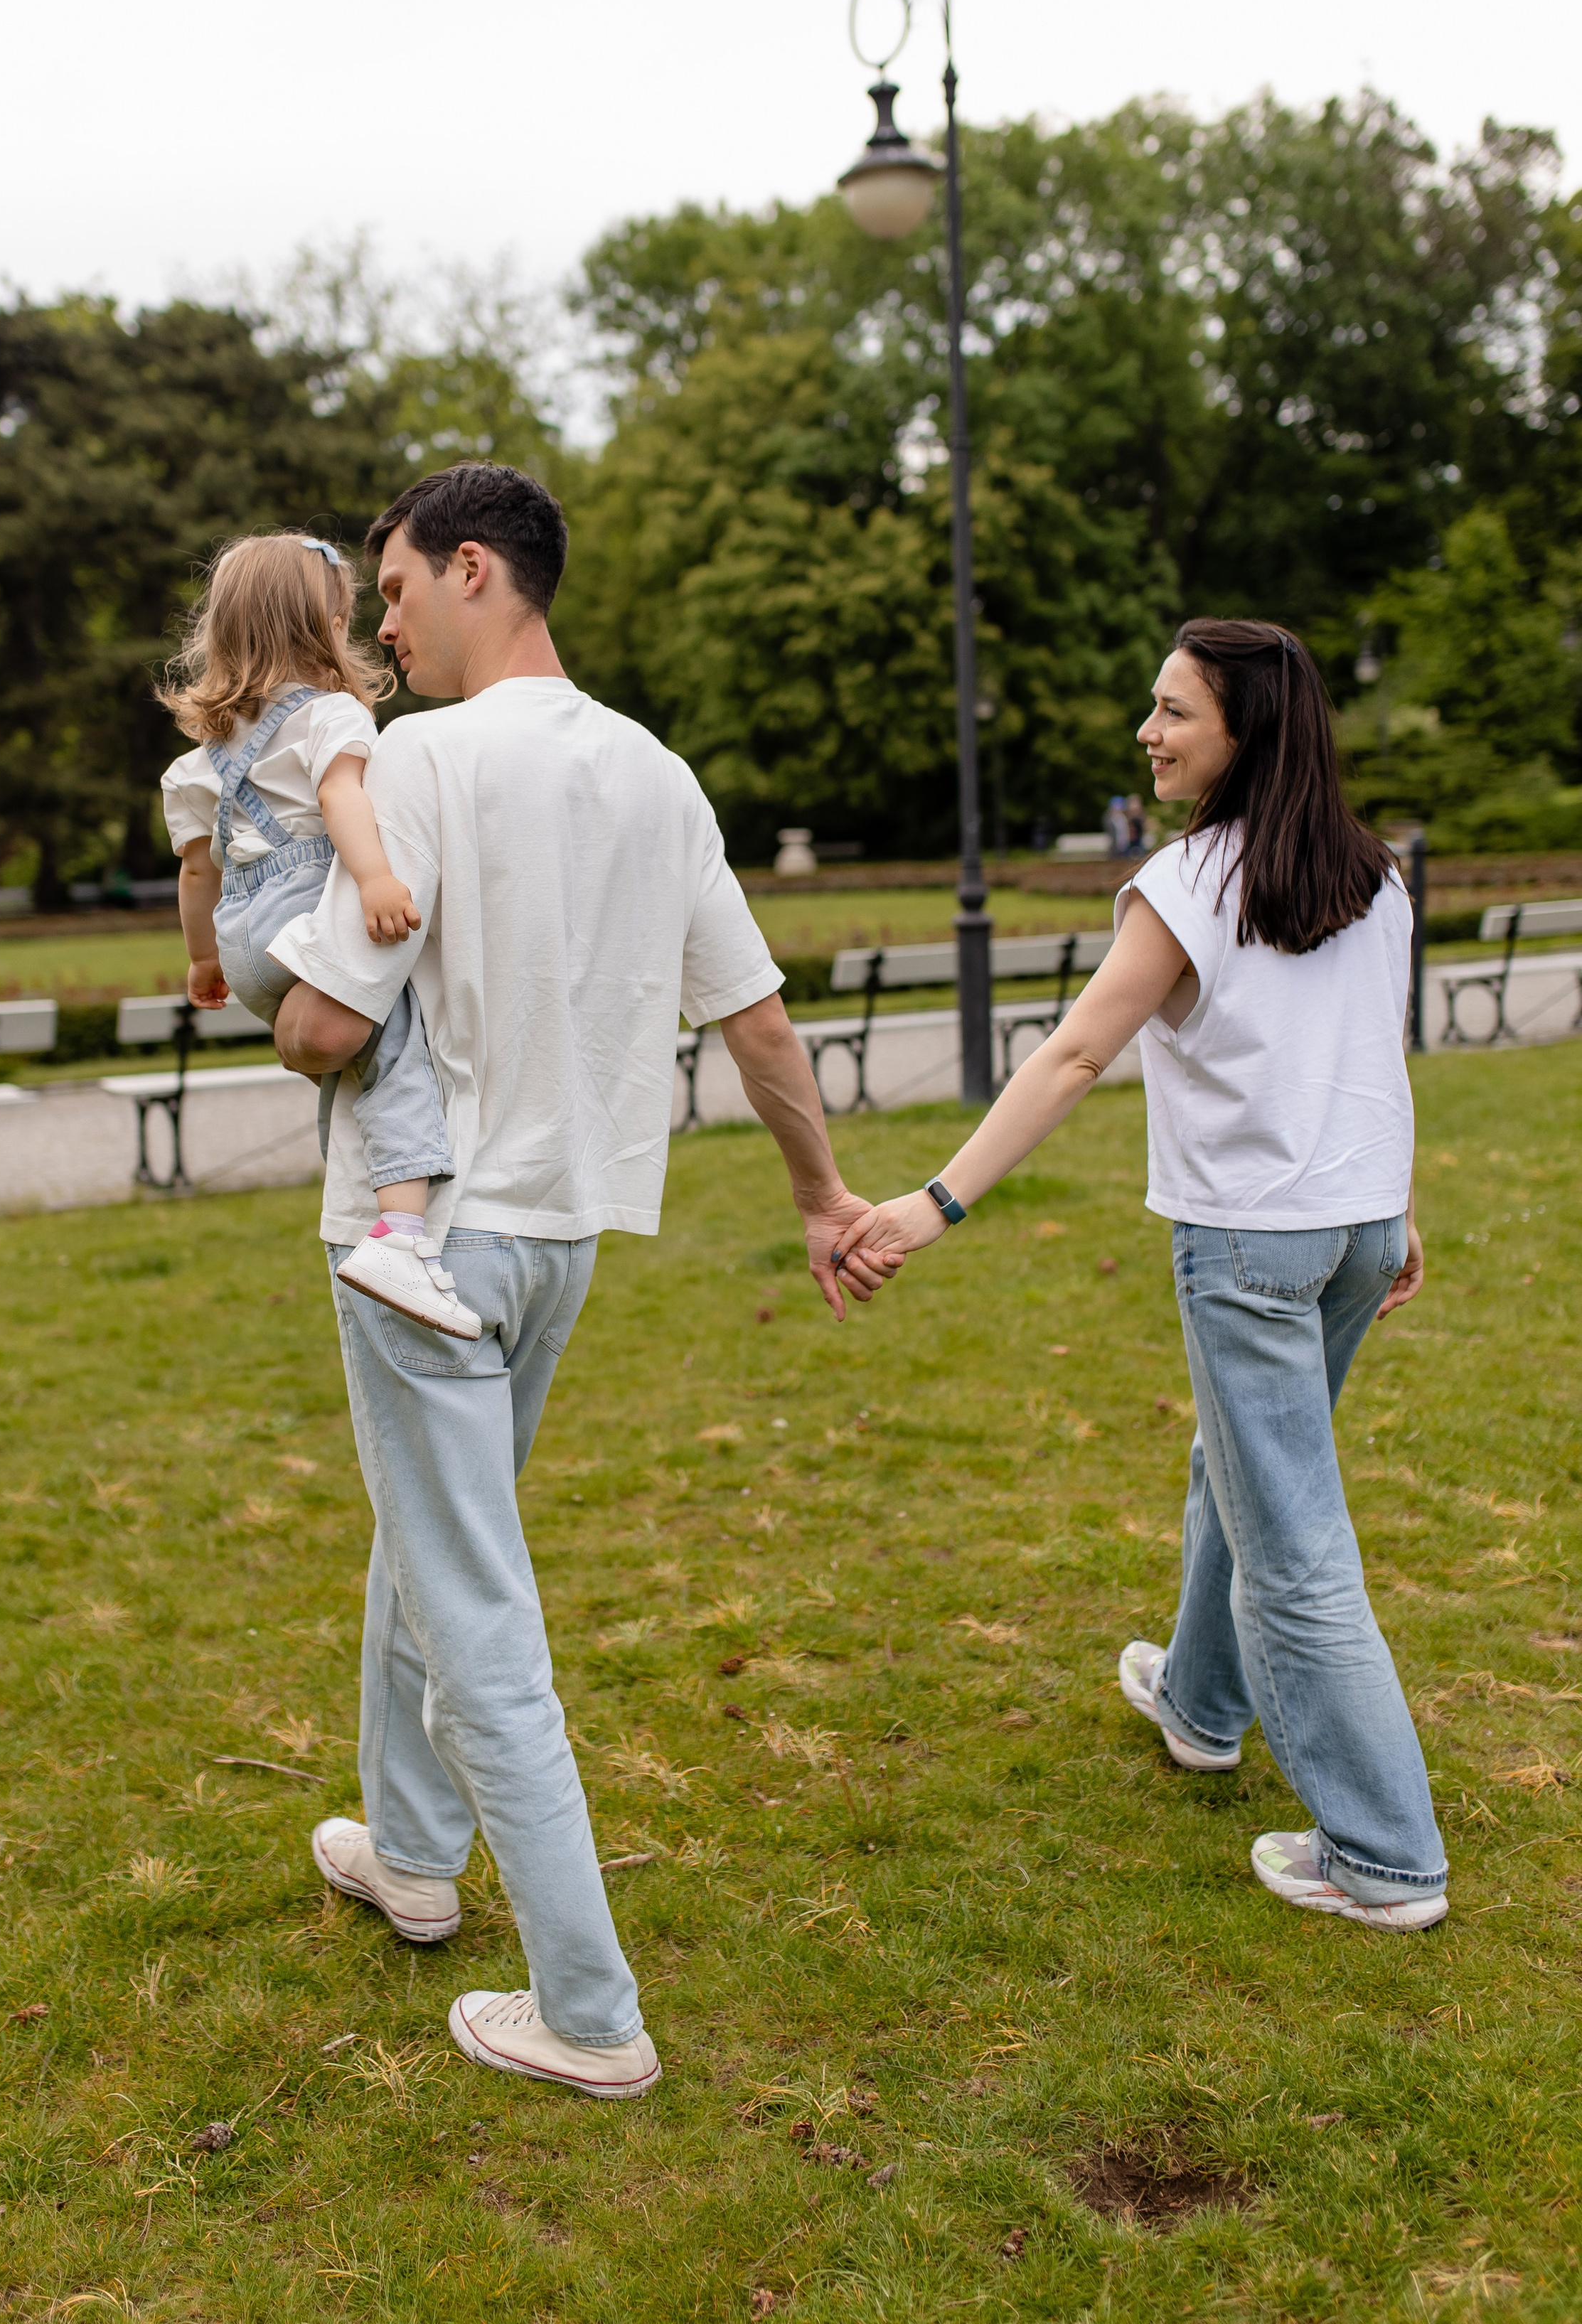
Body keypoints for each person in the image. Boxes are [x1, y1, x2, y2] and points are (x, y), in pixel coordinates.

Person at [267, 461, 887, 2098]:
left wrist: (279, 1016)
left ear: (476, 569)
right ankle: (409, 1848)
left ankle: (589, 2011)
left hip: (421, 1245)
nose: (380, 623)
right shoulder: (656, 774)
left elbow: (326, 1023)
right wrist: (819, 1192)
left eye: (395, 587)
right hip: (555, 1245)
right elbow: (751, 1017)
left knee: (472, 1599)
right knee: (433, 1539)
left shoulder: (415, 760)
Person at [839, 619, 1448, 1932]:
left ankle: (1387, 1857)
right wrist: (1396, 1213)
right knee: (1240, 1474)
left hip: (1252, 1246)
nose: (1148, 732)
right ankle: (1201, 1707)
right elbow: (1378, 1053)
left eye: (1174, 712)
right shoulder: (1376, 876)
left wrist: (936, 1203)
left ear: (1246, 735)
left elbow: (1071, 1058)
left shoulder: (1190, 885)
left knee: (1295, 1543)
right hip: (1349, 1237)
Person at [159, 530, 474, 1338]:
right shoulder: (330, 716)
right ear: (320, 626)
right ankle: (403, 1235)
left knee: (356, 1064)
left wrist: (202, 960)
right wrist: (373, 878)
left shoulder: (203, 756)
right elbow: (343, 802)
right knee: (398, 1045)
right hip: (305, 915)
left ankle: (367, 1203)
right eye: (345, 619)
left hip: (243, 942)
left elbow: (198, 872)